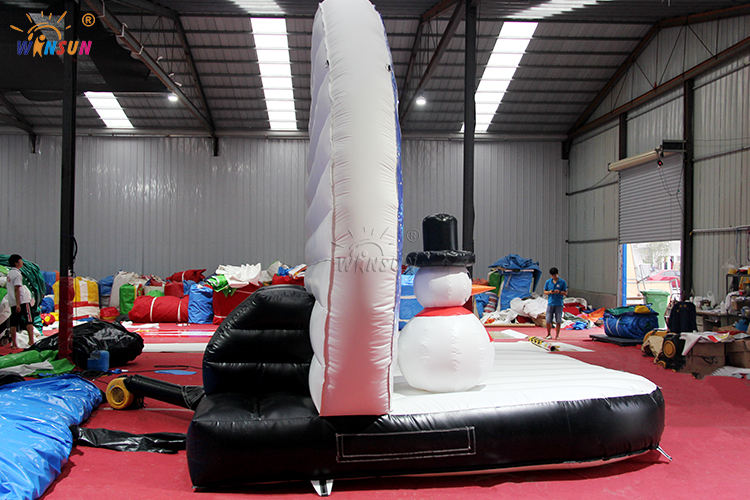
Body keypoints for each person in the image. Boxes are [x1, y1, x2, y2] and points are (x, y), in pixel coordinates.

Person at [5, 254, 35, 348]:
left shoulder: (9, 273)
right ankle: (31, 341)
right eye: (21, 261)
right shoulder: (17, 274)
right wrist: (18, 303)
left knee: (13, 322)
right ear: (16, 263)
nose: (22, 262)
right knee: (29, 320)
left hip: (12, 301)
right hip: (22, 301)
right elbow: (17, 289)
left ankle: (14, 344)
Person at [543, 267, 567, 340]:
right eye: (552, 275)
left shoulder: (562, 282)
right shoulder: (548, 282)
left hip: (559, 303)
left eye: (555, 275)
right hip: (550, 303)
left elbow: (565, 293)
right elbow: (545, 291)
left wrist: (559, 292)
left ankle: (557, 335)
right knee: (548, 320)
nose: (554, 277)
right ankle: (548, 334)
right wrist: (550, 292)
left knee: (558, 320)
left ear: (557, 274)